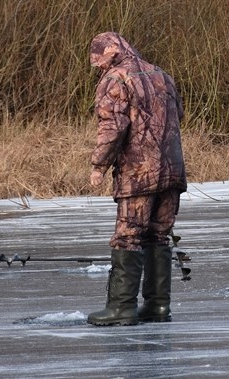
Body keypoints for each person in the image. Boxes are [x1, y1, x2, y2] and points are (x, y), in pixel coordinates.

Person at [86, 31, 187, 326]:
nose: (98, 68)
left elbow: (113, 127)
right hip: (172, 171)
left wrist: (98, 165)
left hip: (139, 172)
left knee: (128, 236)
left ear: (111, 53)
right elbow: (177, 113)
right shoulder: (161, 75)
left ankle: (121, 307)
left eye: (99, 61)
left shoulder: (115, 80)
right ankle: (157, 306)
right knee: (157, 235)